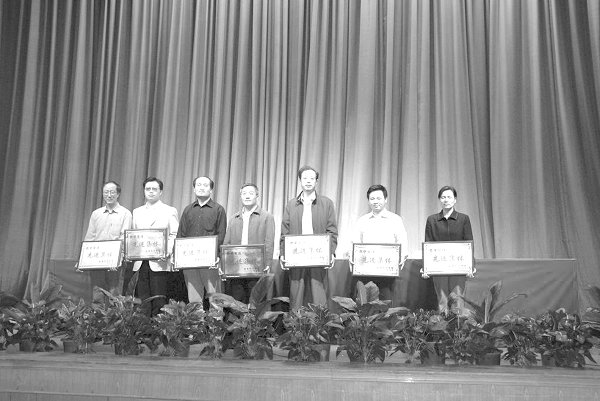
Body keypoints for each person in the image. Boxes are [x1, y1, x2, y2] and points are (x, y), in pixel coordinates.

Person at [280, 165, 338, 310]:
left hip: (317, 256)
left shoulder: (326, 203)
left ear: (316, 181)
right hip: (296, 256)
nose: (308, 181)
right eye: (305, 178)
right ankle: (296, 323)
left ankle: (320, 323)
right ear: (300, 180)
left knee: (319, 295)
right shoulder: (291, 204)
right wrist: (282, 253)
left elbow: (332, 230)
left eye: (312, 178)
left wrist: (330, 252)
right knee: (296, 295)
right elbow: (285, 232)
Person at [351, 184, 408, 304]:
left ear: (385, 199)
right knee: (366, 305)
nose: (375, 201)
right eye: (372, 199)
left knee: (386, 304)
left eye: (379, 198)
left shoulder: (395, 219)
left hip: (387, 272)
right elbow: (354, 243)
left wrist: (401, 257)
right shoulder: (362, 221)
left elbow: (403, 242)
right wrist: (352, 257)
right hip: (366, 271)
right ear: (368, 201)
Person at [131, 177, 179, 316]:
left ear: (161, 192)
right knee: (143, 299)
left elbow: (174, 234)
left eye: (154, 189)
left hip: (160, 261)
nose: (151, 192)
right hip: (140, 261)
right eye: (148, 189)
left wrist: (167, 251)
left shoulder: (169, 210)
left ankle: (158, 327)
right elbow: (133, 236)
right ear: (144, 191)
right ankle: (144, 326)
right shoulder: (137, 211)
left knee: (159, 298)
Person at [177, 176, 227, 304]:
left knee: (215, 298)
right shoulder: (188, 210)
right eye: (198, 185)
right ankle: (196, 318)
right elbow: (181, 234)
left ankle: (216, 318)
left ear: (211, 190)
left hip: (210, 261)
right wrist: (177, 256)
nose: (201, 188)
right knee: (194, 299)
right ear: (194, 189)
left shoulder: (218, 209)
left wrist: (217, 255)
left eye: (205, 185)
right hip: (189, 260)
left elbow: (221, 234)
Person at [223, 183, 275, 303]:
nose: (247, 196)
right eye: (244, 193)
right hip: (236, 267)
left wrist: (267, 263)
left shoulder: (267, 217)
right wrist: (224, 265)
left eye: (251, 193)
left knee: (256, 302)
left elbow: (269, 242)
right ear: (240, 196)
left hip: (257, 267)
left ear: (257, 195)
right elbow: (227, 243)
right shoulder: (234, 218)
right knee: (237, 301)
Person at [83, 180, 132, 302]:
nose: (109, 195)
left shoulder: (125, 213)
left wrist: (117, 259)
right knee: (97, 294)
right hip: (97, 261)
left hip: (116, 263)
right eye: (106, 192)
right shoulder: (96, 214)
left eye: (112, 192)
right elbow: (90, 237)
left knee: (114, 295)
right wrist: (83, 259)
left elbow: (124, 237)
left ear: (118, 194)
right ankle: (97, 315)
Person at [423, 185, 474, 302]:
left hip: (459, 266)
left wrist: (470, 265)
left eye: (449, 197)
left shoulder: (463, 218)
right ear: (439, 200)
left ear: (455, 200)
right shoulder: (432, 219)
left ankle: (458, 315)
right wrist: (426, 267)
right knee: (442, 301)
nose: (446, 200)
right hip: (439, 266)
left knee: (457, 300)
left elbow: (469, 242)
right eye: (443, 197)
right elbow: (428, 243)